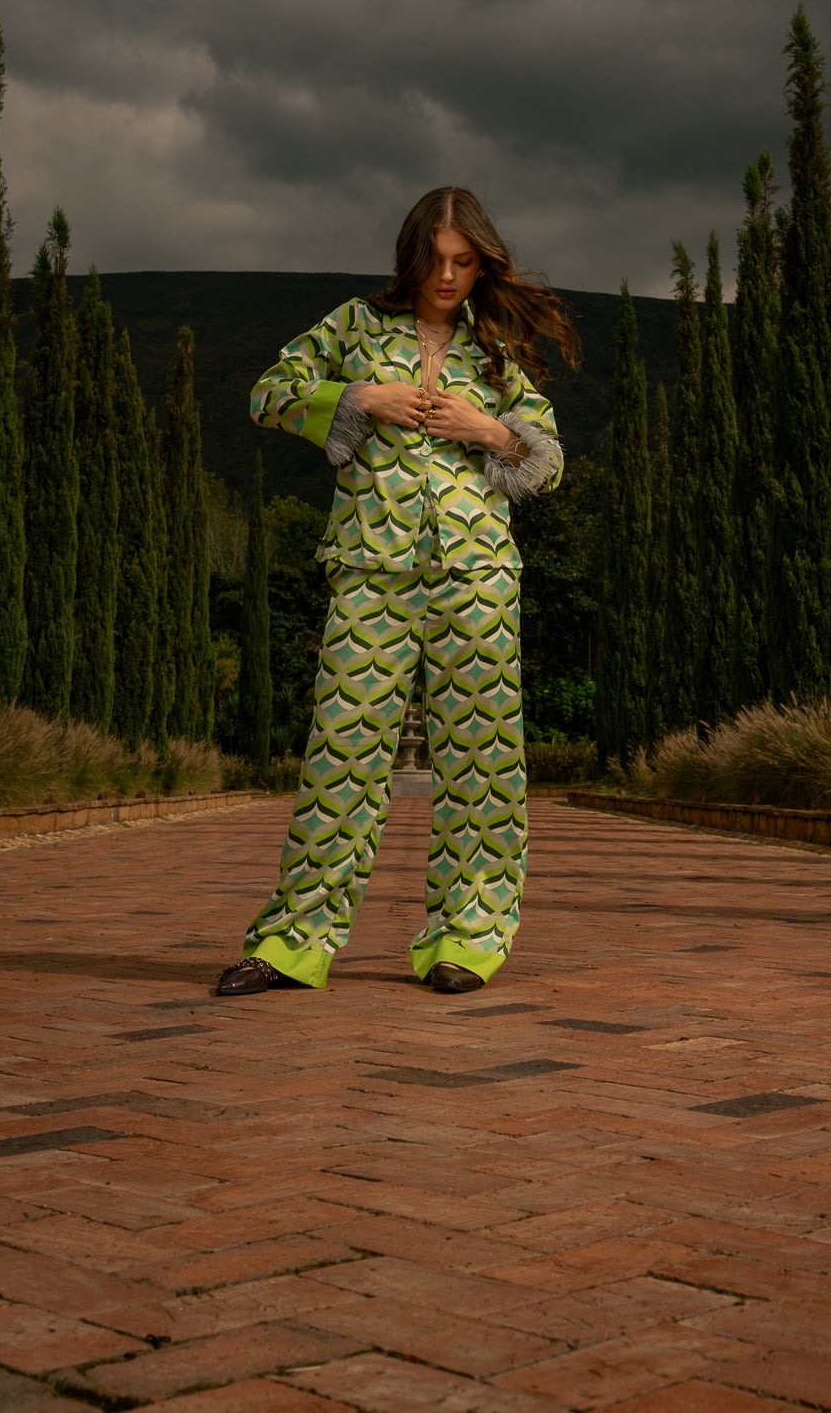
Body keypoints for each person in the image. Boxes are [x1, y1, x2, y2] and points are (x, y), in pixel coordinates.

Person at [216, 186, 577, 998]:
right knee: (340, 754)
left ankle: (467, 938)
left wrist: (487, 431)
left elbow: (549, 463)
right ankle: (293, 944)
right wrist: (358, 398)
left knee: (481, 762)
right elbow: (266, 394)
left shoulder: (496, 349)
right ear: (410, 256)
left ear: (481, 262)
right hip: (370, 571)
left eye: (463, 263)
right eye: (434, 261)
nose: (447, 277)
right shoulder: (353, 327)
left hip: (478, 574)